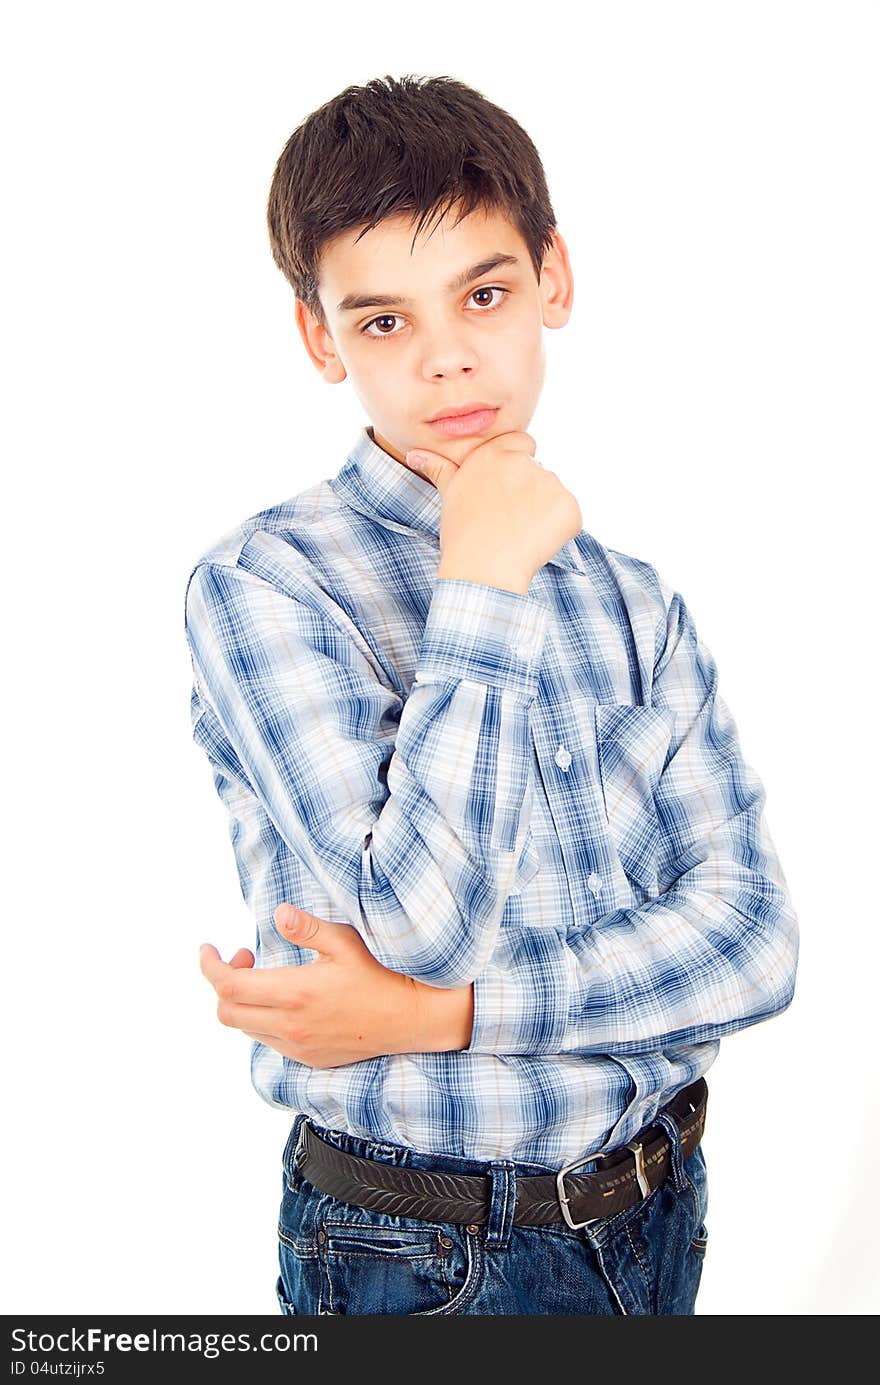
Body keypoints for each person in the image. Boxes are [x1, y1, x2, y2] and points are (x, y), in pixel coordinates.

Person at [183, 74, 800, 1316]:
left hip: (655, 1207)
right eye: (381, 322)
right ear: (319, 338)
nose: (448, 357)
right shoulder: (267, 585)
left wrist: (434, 1014)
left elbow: (751, 941)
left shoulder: (634, 601)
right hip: (424, 1243)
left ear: (551, 280)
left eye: (482, 292)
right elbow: (420, 915)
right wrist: (479, 581)